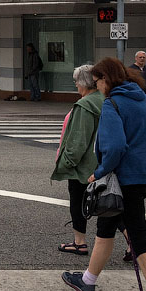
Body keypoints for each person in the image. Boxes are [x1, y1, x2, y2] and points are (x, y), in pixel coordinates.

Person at [61, 56, 146, 291]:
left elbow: (115, 147)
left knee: (140, 240)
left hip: (126, 179)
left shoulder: (113, 104)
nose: (97, 86)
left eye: (98, 81)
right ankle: (88, 281)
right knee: (105, 227)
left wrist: (100, 171)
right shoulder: (145, 101)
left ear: (107, 79)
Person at [51, 64, 104, 256]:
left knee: (78, 201)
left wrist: (66, 162)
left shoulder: (86, 105)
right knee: (110, 204)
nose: (76, 86)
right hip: (102, 160)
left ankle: (79, 242)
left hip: (85, 165)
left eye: (76, 82)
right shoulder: (104, 100)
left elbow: (78, 140)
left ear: (84, 83)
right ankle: (132, 244)